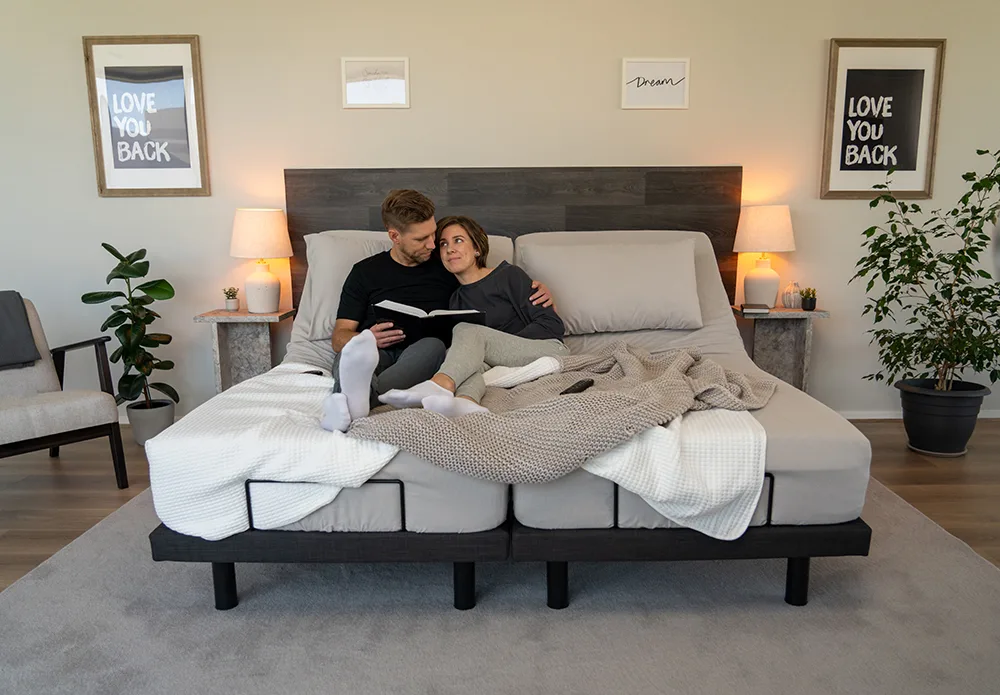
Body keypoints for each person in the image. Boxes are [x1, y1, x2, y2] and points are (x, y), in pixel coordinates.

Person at [321, 191, 552, 431]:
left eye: (434, 235)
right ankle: (355, 399)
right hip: (376, 352)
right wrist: (367, 338)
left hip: (423, 354)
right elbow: (340, 336)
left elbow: (484, 283)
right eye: (422, 239)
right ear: (395, 236)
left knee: (432, 345)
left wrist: (534, 291)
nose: (433, 244)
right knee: (349, 354)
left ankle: (351, 404)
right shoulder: (363, 273)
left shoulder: (445, 263)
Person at [377, 215, 570, 418]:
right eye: (443, 244)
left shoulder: (508, 275)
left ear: (477, 248)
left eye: (458, 240)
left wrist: (495, 344)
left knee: (468, 331)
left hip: (547, 348)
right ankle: (466, 402)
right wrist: (490, 351)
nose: (450, 249)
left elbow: (552, 325)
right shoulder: (455, 300)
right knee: (465, 358)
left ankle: (440, 384)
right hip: (494, 363)